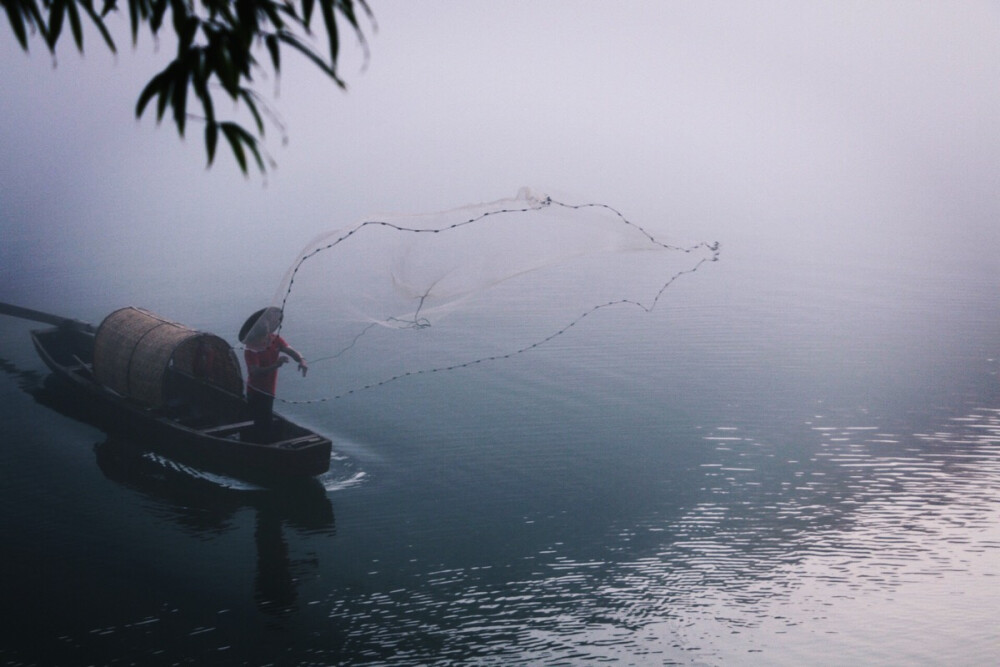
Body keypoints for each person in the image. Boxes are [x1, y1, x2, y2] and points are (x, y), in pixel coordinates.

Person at [238, 307, 308, 441]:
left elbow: (290, 350)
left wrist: (301, 360)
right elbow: (255, 371)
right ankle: (253, 443)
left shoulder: (275, 340)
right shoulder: (251, 348)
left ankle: (262, 441)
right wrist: (276, 365)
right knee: (257, 421)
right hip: (256, 391)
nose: (264, 339)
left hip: (270, 390)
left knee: (265, 419)